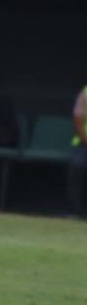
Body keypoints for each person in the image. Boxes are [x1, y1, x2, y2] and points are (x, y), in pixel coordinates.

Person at [66, 85, 86, 217]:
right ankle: (75, 212)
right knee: (78, 168)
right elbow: (77, 119)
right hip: (84, 144)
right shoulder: (86, 93)